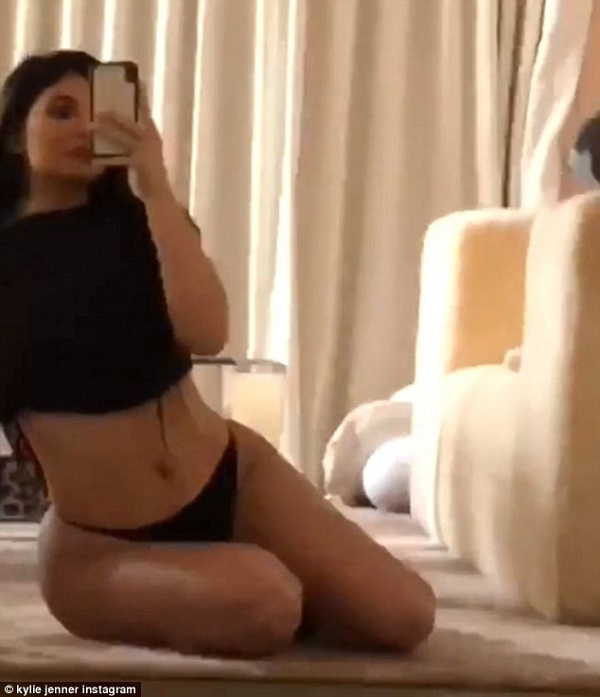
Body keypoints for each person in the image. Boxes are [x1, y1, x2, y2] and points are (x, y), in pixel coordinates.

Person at [0, 50, 435, 657]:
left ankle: (251, 577)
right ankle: (237, 585)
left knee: (407, 617)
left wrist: (155, 185)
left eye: (102, 113)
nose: (85, 128)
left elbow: (206, 334)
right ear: (15, 135)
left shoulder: (144, 222)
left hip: (232, 476)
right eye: (62, 112)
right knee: (268, 604)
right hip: (102, 542)